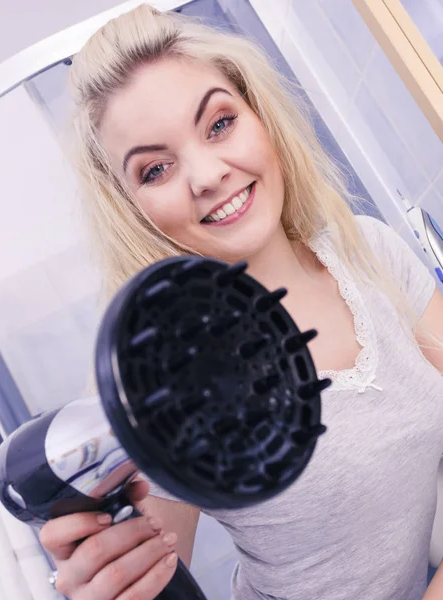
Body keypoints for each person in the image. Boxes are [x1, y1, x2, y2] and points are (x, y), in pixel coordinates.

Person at [39, 4, 443, 600]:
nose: (205, 174)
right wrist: (105, 581)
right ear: (133, 210)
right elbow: (149, 574)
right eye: (155, 169)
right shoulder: (169, 386)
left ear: (261, 117)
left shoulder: (370, 250)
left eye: (220, 124)